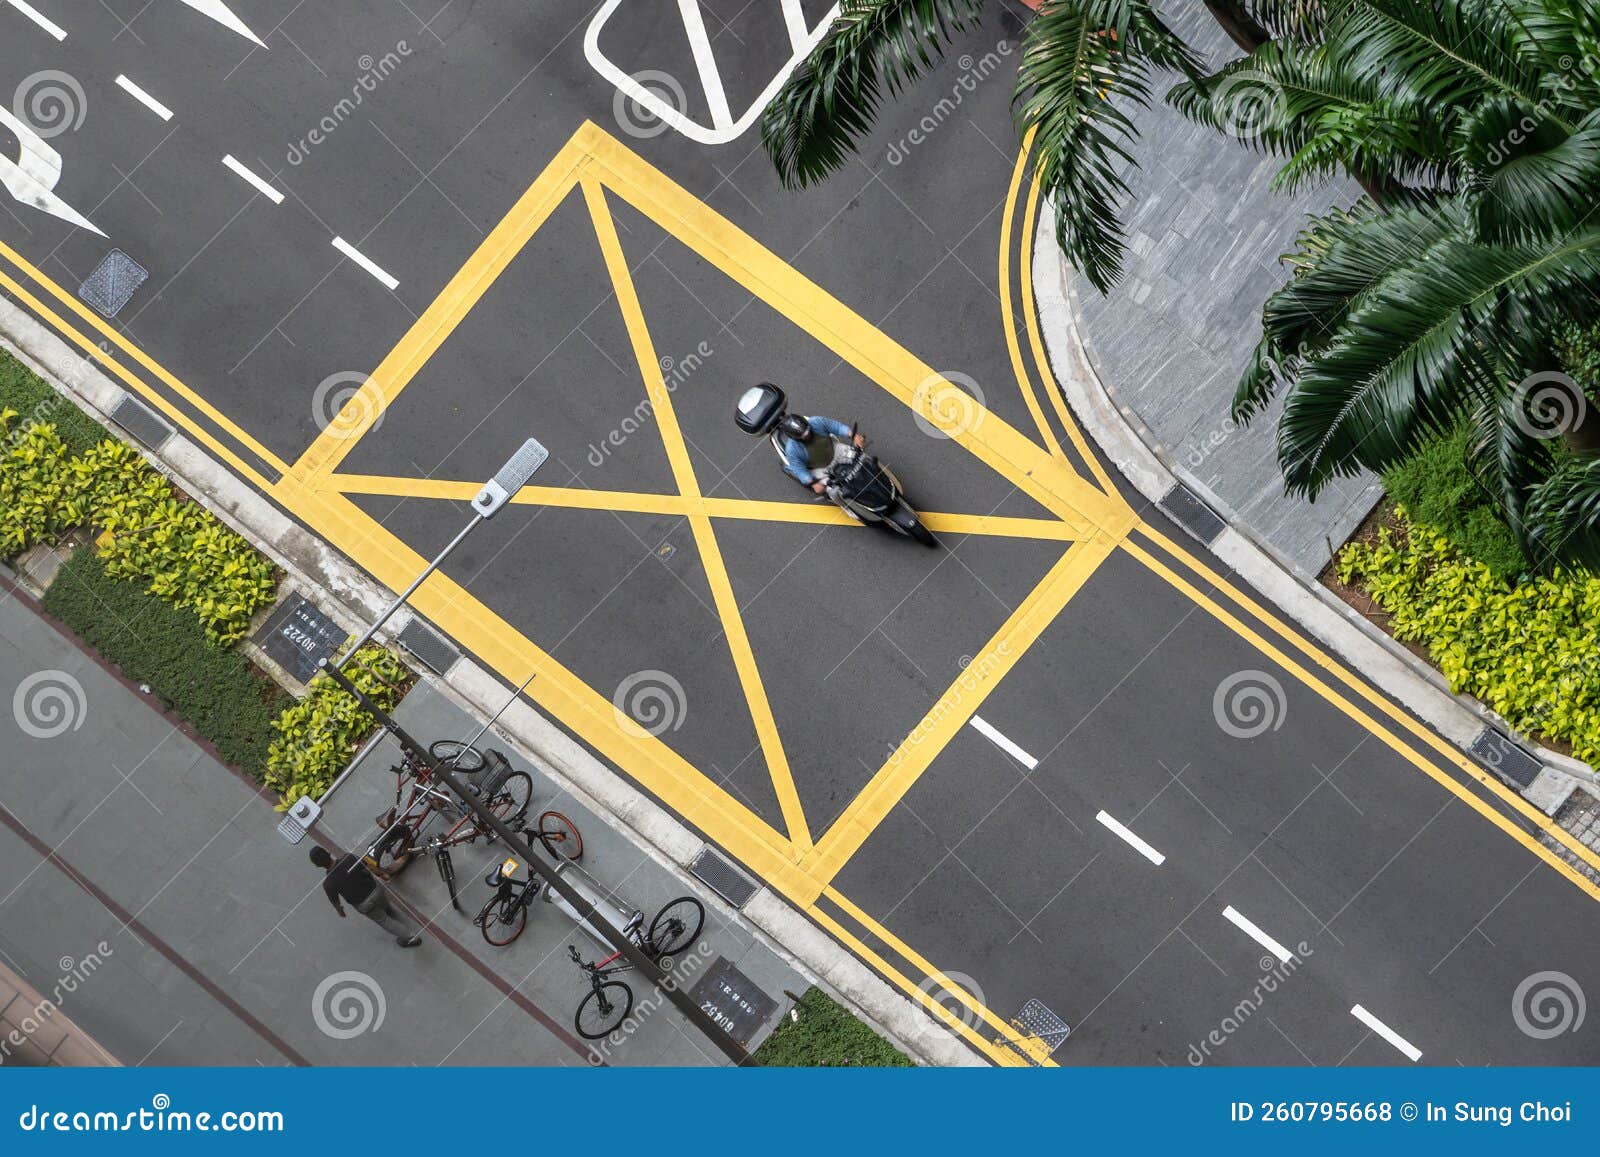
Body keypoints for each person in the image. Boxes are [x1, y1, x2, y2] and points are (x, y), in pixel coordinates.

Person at [308, 845, 423, 948]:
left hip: (364, 904)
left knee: (385, 921)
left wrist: (340, 911)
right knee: (386, 907)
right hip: (376, 890)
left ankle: (411, 937)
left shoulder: (328, 884)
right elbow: (367, 865)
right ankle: (398, 917)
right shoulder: (349, 858)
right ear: (327, 852)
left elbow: (335, 902)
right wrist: (382, 874)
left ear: (318, 865)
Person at [775, 412, 866, 494]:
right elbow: (800, 471)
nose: (808, 435)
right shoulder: (792, 450)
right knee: (836, 493)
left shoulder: (816, 421)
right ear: (794, 438)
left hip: (836, 450)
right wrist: (814, 484)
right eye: (803, 436)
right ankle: (851, 509)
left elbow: (838, 427)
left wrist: (853, 436)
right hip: (821, 469)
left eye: (808, 431)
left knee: (863, 458)